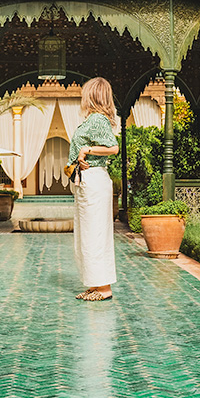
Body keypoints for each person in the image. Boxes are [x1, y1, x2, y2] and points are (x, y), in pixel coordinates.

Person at [67, 77, 119, 301]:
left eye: (85, 93)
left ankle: (104, 288)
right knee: (87, 235)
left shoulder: (98, 119)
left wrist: (87, 149)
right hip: (87, 181)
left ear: (93, 96)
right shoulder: (92, 120)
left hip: (94, 182)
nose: (82, 97)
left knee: (95, 234)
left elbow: (114, 148)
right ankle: (95, 284)